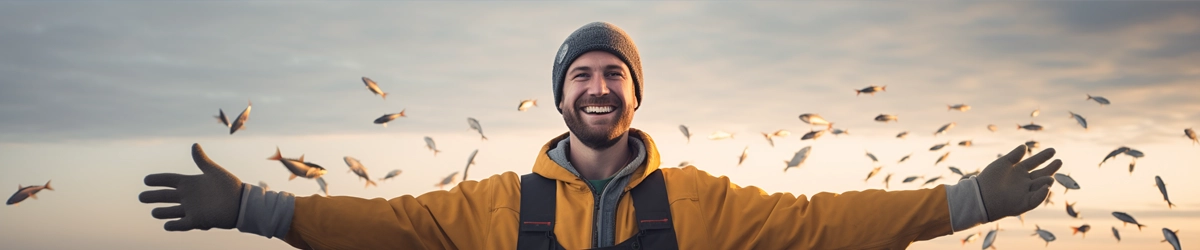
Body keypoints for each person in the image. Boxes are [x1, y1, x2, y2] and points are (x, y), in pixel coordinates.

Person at [139, 21, 1062, 249]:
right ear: (559, 98)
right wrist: (257, 207)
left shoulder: (699, 202)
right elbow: (396, 231)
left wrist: (969, 199)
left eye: (612, 72)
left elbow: (820, 224)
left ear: (633, 96)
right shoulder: (499, 205)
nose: (596, 84)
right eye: (580, 73)